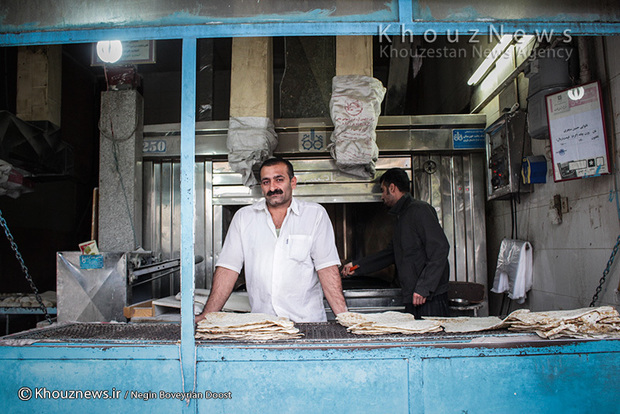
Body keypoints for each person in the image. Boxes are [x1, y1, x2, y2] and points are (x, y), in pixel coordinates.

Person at [196, 157, 348, 323]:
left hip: (307, 322)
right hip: (263, 324)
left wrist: (345, 317)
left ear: (293, 182)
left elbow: (326, 268)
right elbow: (228, 269)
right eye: (266, 182)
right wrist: (207, 315)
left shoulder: (315, 215)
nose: (272, 187)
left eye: (279, 180)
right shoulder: (244, 218)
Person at [341, 168, 450, 319]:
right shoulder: (402, 216)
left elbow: (440, 249)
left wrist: (424, 288)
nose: (382, 197)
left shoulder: (420, 210)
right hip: (414, 296)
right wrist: (357, 266)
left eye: (383, 191)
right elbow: (390, 254)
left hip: (429, 298)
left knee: (433, 341)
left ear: (392, 188)